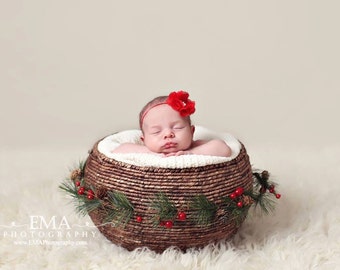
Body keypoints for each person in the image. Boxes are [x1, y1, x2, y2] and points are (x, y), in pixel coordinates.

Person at [112, 91, 232, 157]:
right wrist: (149, 152)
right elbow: (118, 151)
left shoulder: (194, 146)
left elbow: (223, 149)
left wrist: (190, 153)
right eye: (156, 131)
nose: (168, 134)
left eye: (177, 127)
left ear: (192, 132)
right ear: (144, 140)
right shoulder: (146, 149)